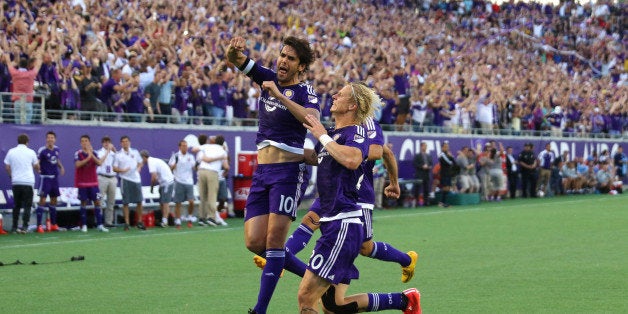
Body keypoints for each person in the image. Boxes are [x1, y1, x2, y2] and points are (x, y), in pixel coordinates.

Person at [297, 83, 421, 313]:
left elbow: (355, 159)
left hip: (343, 222)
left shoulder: (358, 131)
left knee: (306, 298)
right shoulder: (334, 134)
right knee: (333, 306)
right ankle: (404, 301)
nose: (333, 95)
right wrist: (280, 153)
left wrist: (322, 136)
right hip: (334, 222)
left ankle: (278, 256)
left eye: (340, 94)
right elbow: (317, 156)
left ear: (352, 105)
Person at [227, 35, 320, 314]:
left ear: (301, 67)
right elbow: (236, 60)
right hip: (262, 172)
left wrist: (279, 96)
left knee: (274, 244)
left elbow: (312, 120)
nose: (283, 61)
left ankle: (259, 310)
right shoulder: (266, 77)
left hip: (288, 173)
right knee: (255, 242)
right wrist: (234, 50)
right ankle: (315, 277)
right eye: (282, 55)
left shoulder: (306, 92)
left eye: (291, 58)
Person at [4, 134, 40, 234]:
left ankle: (14, 227)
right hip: (28, 182)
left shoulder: (11, 151)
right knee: (27, 205)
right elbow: (36, 166)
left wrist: (11, 176)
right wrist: (38, 169)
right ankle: (24, 227)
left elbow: (7, 166)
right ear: (27, 142)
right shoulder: (31, 152)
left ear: (18, 141)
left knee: (17, 205)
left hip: (16, 182)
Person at [74, 135, 109, 232]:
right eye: (82, 141)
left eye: (86, 141)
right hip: (83, 184)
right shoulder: (78, 153)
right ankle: (84, 225)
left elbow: (99, 163)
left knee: (98, 202)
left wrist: (91, 154)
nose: (84, 143)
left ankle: (100, 225)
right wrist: (88, 157)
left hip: (94, 184)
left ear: (89, 142)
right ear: (81, 143)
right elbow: (77, 164)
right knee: (83, 203)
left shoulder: (94, 153)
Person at [195, 134, 229, 227]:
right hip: (212, 172)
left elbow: (197, 152)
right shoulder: (223, 151)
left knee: (203, 197)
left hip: (201, 171)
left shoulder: (208, 146)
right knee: (212, 196)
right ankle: (211, 218)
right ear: (222, 143)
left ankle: (201, 218)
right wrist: (224, 172)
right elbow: (226, 166)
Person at [35, 131, 65, 233]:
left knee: (54, 200)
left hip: (54, 179)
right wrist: (37, 168)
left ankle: (53, 224)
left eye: (52, 138)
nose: (50, 139)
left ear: (55, 139)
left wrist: (61, 167)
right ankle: (39, 225)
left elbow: (56, 160)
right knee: (42, 200)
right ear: (46, 139)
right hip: (45, 178)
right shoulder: (42, 150)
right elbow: (37, 162)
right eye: (48, 138)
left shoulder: (57, 149)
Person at [113, 135, 145, 230]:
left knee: (139, 201)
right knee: (126, 202)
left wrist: (139, 168)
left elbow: (140, 162)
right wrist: (122, 170)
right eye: (123, 141)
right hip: (125, 179)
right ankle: (127, 223)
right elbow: (114, 168)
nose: (125, 143)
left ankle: (139, 221)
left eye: (126, 141)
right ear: (121, 143)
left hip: (136, 179)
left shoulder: (135, 152)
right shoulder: (118, 155)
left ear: (129, 142)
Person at [4, 51, 43, 124]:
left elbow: (9, 64)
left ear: (19, 65)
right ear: (27, 65)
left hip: (17, 102)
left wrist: (7, 57)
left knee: (17, 124)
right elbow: (38, 65)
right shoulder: (31, 74)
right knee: (27, 125)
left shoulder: (14, 73)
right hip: (28, 102)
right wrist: (39, 55)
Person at [140, 150, 175, 228]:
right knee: (162, 202)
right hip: (163, 183)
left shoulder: (151, 162)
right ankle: (164, 219)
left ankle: (165, 221)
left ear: (144, 157)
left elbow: (154, 177)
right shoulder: (152, 161)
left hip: (167, 182)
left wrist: (152, 188)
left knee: (165, 202)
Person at [169, 139, 197, 228]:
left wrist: (198, 165)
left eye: (186, 146)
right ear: (179, 147)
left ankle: (189, 217)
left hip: (189, 182)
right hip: (179, 181)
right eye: (183, 146)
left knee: (191, 202)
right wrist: (175, 163)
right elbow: (171, 168)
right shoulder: (175, 156)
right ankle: (178, 221)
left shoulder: (190, 157)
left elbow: (194, 168)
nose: (185, 147)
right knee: (178, 202)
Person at [96, 136, 118, 227]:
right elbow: (100, 161)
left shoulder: (113, 153)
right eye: (105, 142)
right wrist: (108, 151)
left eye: (108, 142)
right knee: (100, 200)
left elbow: (118, 161)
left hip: (112, 177)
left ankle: (109, 221)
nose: (106, 143)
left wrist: (115, 151)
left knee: (111, 201)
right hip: (102, 177)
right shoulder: (99, 152)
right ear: (102, 143)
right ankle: (99, 221)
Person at [438, 141, 455, 207]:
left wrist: (451, 157)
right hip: (444, 173)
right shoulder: (442, 154)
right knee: (445, 188)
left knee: (448, 188)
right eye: (445, 147)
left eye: (447, 147)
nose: (447, 148)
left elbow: (453, 162)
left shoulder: (447, 154)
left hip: (448, 173)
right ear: (442, 148)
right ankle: (442, 202)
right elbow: (449, 162)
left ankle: (443, 202)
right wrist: (451, 157)